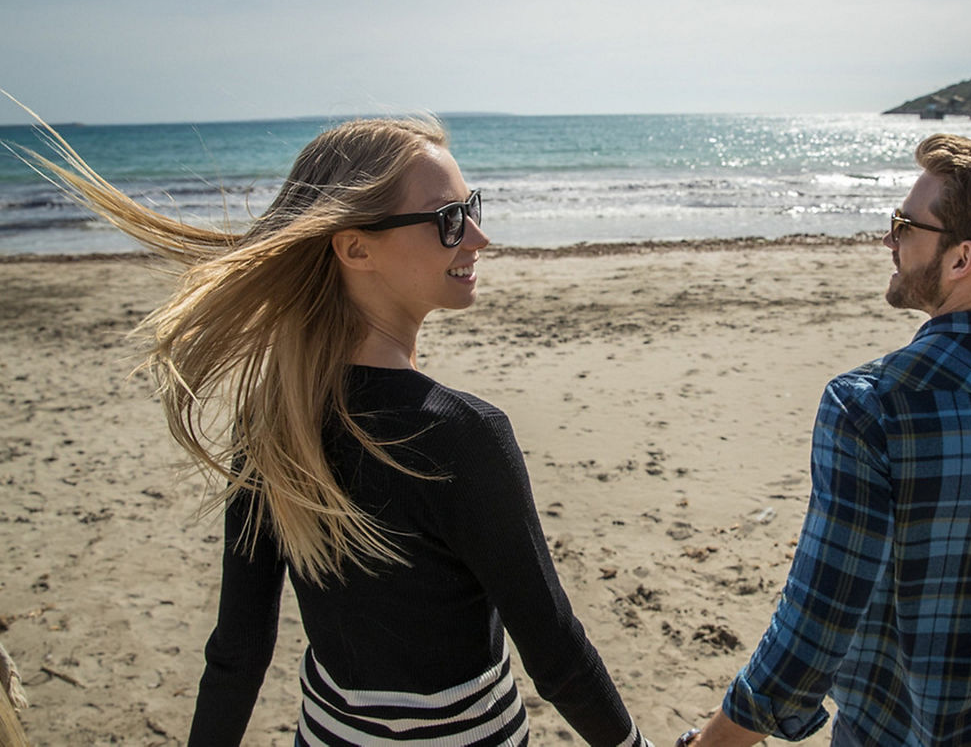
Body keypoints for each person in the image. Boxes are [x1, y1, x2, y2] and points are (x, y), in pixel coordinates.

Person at [12, 105, 651, 747]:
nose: (478, 237)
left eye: (473, 206)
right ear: (354, 247)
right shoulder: (465, 433)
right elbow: (555, 654)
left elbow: (237, 652)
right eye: (449, 219)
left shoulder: (273, 424)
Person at [681, 134, 971, 746]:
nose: (889, 239)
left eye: (904, 224)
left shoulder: (871, 405)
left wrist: (718, 742)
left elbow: (817, 622)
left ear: (962, 260)